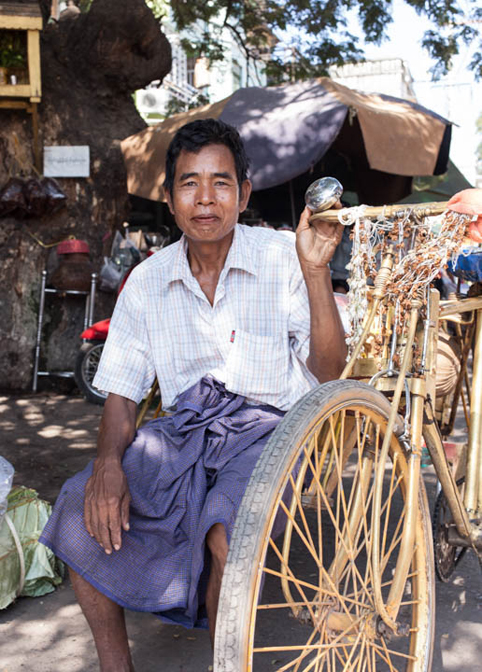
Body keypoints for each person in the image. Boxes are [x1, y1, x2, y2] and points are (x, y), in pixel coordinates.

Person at [39, 118, 347, 672]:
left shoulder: (284, 257)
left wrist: (316, 271)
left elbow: (328, 375)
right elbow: (123, 396)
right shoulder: (148, 282)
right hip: (184, 433)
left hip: (269, 431)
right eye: (189, 183)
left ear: (244, 193)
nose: (206, 199)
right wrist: (107, 462)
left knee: (226, 533)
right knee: (79, 509)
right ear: (170, 197)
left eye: (221, 183)